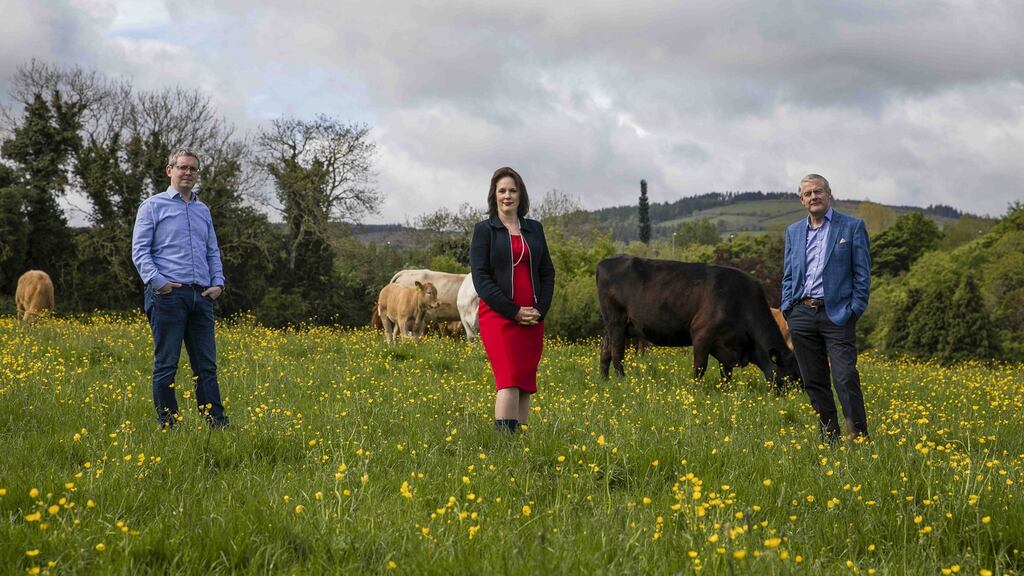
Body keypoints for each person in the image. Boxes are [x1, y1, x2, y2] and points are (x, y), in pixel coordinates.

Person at [131, 148, 229, 430]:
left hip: (202, 296)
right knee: (167, 365)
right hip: (168, 297)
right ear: (169, 170)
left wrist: (218, 284)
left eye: (193, 169)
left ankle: (216, 423)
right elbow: (140, 252)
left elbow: (212, 251)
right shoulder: (152, 206)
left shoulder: (203, 210)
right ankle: (169, 425)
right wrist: (159, 283)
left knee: (206, 367)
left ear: (198, 174)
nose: (188, 173)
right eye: (182, 167)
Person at [781, 174, 871, 443]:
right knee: (813, 381)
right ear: (802, 200)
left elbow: (862, 275)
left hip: (838, 315)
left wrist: (854, 309)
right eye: (807, 194)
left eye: (818, 191)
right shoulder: (793, 231)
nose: (813, 197)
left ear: (829, 194)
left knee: (844, 377)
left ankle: (858, 437)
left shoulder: (852, 227)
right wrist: (788, 307)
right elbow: (788, 273)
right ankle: (829, 438)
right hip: (801, 314)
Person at [470, 167, 555, 434]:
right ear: (494, 196)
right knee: (508, 379)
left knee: (524, 380)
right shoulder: (484, 230)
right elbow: (481, 278)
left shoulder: (534, 229)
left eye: (513, 190)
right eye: (502, 191)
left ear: (521, 195)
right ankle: (504, 445)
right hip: (499, 315)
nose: (508, 196)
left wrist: (539, 310)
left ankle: (521, 442)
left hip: (531, 317)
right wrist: (513, 311)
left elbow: (547, 272)